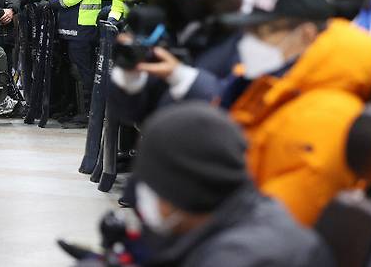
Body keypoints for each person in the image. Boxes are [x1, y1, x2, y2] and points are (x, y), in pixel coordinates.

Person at [219, 0, 371, 226]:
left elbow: (278, 224)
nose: (248, 42)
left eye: (262, 32)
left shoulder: (327, 119)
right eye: (248, 32)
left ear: (305, 34)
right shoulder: (270, 86)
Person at [124, 102, 334, 267]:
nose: (145, 201)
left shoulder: (245, 258)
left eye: (150, 188)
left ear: (177, 194)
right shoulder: (247, 210)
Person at [109, 0, 242, 126]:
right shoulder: (164, 32)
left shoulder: (244, 35)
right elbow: (130, 113)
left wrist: (181, 77)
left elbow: (245, 105)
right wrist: (130, 79)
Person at [48, 0, 102, 123]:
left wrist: (54, 3)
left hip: (82, 22)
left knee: (82, 69)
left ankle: (89, 112)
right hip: (73, 22)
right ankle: (77, 108)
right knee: (74, 67)